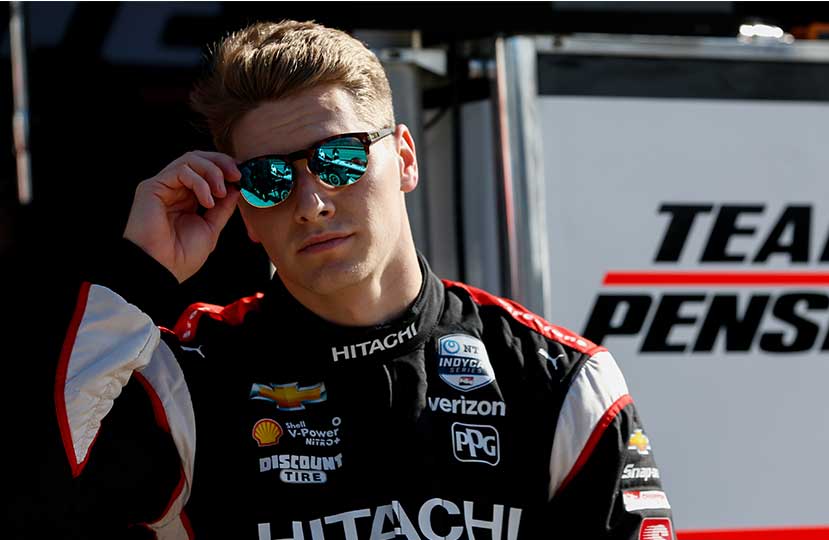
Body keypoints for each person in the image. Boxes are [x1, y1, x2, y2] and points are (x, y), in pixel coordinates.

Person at [29, 20, 673, 539]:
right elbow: (36, 496)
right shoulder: (183, 383)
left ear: (405, 159)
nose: (311, 202)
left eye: (336, 159)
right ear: (244, 214)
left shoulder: (558, 379)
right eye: (271, 179)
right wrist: (138, 273)